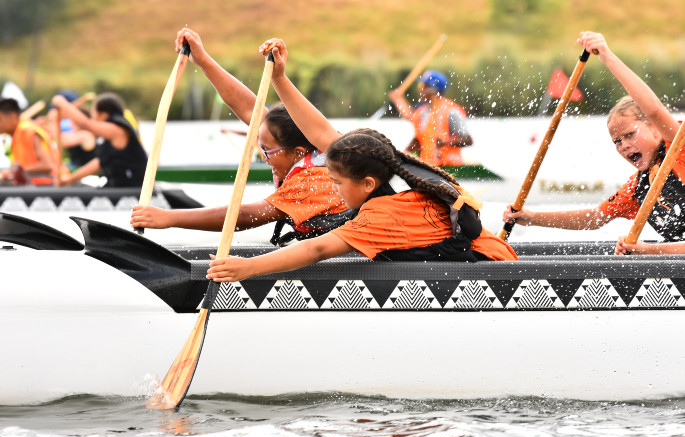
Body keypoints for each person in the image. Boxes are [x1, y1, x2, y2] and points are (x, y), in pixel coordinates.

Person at [205, 38, 517, 284]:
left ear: (368, 183)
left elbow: (317, 249)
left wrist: (247, 268)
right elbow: (323, 132)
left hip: (493, 272)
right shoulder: (395, 169)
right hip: (493, 251)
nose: (334, 189)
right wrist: (280, 78)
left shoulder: (378, 217)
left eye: (337, 183)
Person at [130, 28, 352, 244]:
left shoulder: (316, 180)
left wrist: (169, 218)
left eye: (267, 151)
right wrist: (202, 59)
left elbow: (247, 216)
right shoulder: (295, 143)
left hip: (358, 255)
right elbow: (248, 110)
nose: (264, 157)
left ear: (298, 152)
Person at [502, 31, 684, 255]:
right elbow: (595, 218)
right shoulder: (639, 187)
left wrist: (607, 57)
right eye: (617, 141)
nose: (624, 146)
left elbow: (654, 109)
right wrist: (530, 218)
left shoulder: (679, 146)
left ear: (656, 130)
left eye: (629, 135)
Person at [50, 92, 147, 187]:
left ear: (103, 114)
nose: (92, 117)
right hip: (118, 186)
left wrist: (62, 103)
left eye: (93, 112)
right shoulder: (108, 138)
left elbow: (86, 124)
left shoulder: (117, 130)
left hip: (133, 189)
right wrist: (68, 181)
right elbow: (98, 163)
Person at [388, 70, 473, 167]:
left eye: (422, 86)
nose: (419, 90)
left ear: (432, 89)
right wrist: (404, 153)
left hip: (449, 166)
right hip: (429, 166)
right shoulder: (423, 111)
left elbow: (468, 140)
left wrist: (445, 143)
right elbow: (419, 138)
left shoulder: (451, 112)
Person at [0, 97, 60, 185]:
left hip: (50, 188)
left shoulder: (27, 131)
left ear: (13, 116)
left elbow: (47, 166)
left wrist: (14, 172)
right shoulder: (17, 134)